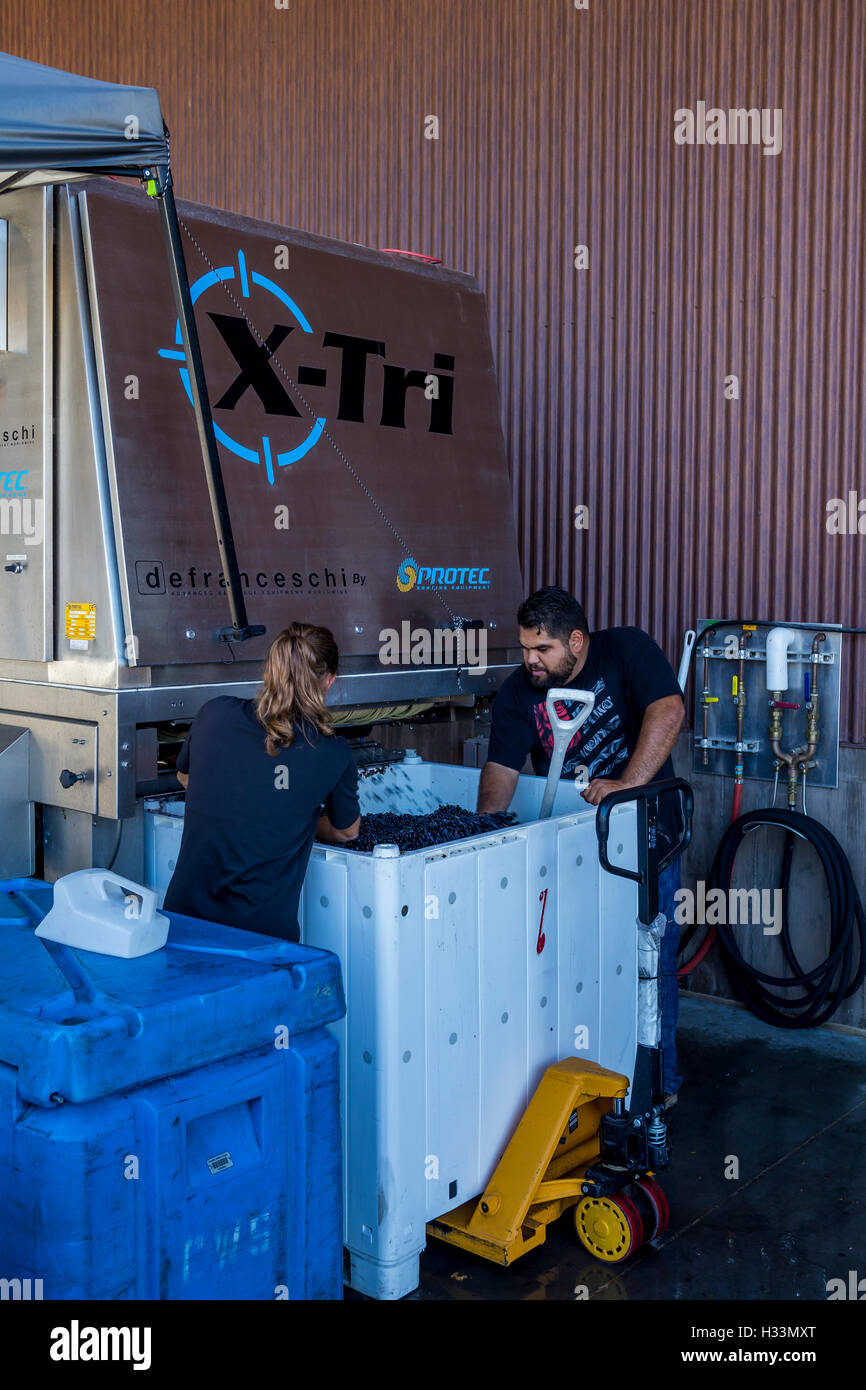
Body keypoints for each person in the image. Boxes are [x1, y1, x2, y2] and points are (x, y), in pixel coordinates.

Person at [477, 585, 685, 1103]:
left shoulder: (627, 650)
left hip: (649, 835)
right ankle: (595, 1082)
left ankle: (656, 1089)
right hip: (577, 845)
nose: (531, 661)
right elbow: (501, 771)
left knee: (647, 959)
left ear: (575, 640)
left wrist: (627, 785)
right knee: (582, 962)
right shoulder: (519, 693)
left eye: (542, 649)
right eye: (525, 648)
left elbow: (669, 711)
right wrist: (481, 835)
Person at [163, 622, 360, 941]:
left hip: (183, 922)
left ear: (268, 670)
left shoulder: (214, 713)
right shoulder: (331, 752)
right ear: (329, 682)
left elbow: (186, 776)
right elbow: (348, 831)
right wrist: (300, 816)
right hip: (260, 939)